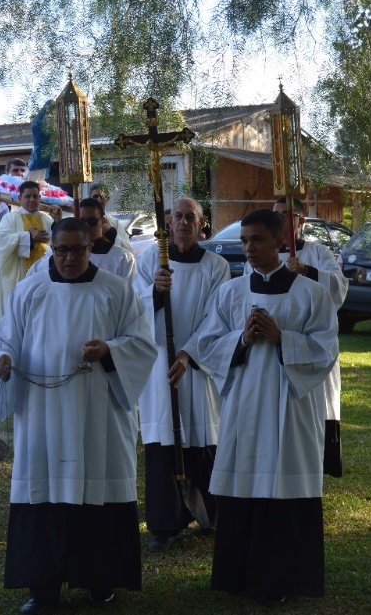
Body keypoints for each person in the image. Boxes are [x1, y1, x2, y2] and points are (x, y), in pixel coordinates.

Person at [0, 217, 157, 614]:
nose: (67, 258)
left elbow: (141, 344)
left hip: (97, 411)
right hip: (42, 413)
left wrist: (111, 351)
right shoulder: (30, 290)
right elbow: (3, 337)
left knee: (97, 493)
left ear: (90, 247)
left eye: (76, 250)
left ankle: (101, 581)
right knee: (44, 494)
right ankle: (42, 587)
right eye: (60, 250)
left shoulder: (116, 291)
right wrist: (2, 359)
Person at [189, 209, 337, 602]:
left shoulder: (311, 293)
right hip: (245, 406)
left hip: (291, 408)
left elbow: (325, 351)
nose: (249, 249)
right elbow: (206, 343)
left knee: (283, 489)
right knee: (244, 485)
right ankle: (238, 575)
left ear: (278, 242)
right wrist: (239, 341)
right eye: (243, 241)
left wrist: (281, 338)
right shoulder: (231, 293)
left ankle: (281, 580)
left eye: (257, 240)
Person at [134, 197, 229, 552]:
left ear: (201, 224)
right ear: (168, 223)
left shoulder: (215, 266)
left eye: (191, 217)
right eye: (178, 216)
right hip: (159, 361)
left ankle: (209, 513)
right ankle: (164, 522)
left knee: (201, 437)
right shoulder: (149, 259)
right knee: (163, 441)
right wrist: (154, 294)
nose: (184, 222)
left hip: (198, 363)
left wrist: (189, 353)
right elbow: (132, 307)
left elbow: (219, 317)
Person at [246, 196, 349, 477]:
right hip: (266, 351)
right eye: (276, 214)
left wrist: (307, 271)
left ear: (300, 220)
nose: (280, 219)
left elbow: (339, 289)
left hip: (309, 346)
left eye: (286, 215)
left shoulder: (317, 253)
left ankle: (318, 461)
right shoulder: (260, 254)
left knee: (316, 402)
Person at [0, 180, 59, 335]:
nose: (32, 200)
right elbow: (1, 242)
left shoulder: (47, 219)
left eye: (35, 196)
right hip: (18, 275)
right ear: (20, 199)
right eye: (28, 196)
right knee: (17, 317)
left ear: (40, 198)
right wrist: (28, 237)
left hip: (43, 277)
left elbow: (58, 242)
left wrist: (58, 222)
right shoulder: (10, 218)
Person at [27, 198, 135, 281]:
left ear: (102, 221)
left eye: (92, 221)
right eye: (82, 221)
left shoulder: (122, 258)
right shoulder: (57, 256)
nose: (86, 226)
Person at [89, 182, 133, 253]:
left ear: (108, 198)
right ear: (90, 198)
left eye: (102, 197)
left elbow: (129, 251)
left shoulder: (115, 223)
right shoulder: (82, 221)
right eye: (95, 196)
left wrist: (111, 233)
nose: (99, 200)